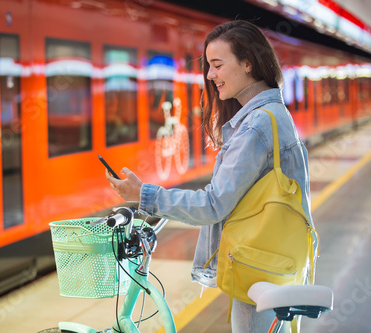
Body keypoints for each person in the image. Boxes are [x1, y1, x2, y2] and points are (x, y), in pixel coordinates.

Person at [105, 20, 312, 333]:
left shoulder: (256, 126)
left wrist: (143, 194)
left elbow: (214, 204)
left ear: (248, 63)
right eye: (209, 67)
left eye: (217, 65)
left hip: (259, 265)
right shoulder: (273, 114)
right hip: (275, 260)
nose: (210, 75)